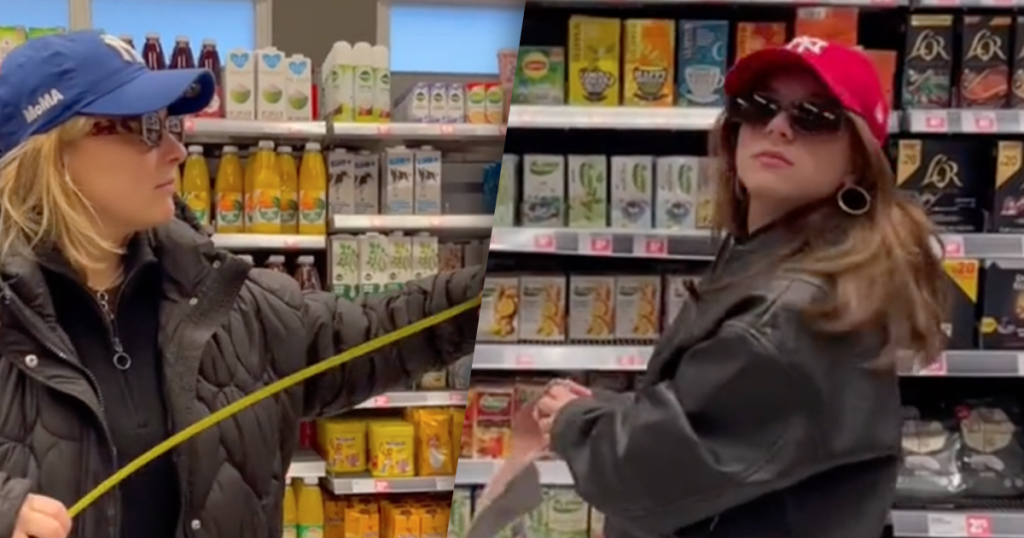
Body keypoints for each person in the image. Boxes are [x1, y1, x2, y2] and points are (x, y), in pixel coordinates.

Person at [0, 31, 482, 538]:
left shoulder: (231, 303)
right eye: (146, 128)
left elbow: (382, 329)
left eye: (170, 125)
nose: (177, 150)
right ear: (51, 152)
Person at [534, 36, 947, 538]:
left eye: (815, 116)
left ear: (858, 161)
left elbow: (646, 477)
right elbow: (732, 427)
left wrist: (576, 422)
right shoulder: (780, 254)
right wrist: (616, 411)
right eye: (759, 107)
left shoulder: (789, 315)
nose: (778, 127)